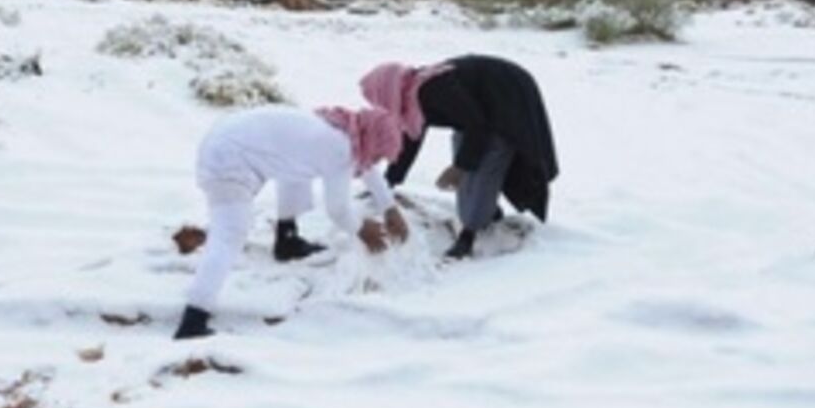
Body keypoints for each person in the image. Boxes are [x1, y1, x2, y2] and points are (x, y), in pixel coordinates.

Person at [174, 104, 411, 340]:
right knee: (229, 235)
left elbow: (364, 166)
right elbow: (337, 209)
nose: (377, 161)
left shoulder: (341, 129)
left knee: (296, 171)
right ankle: (193, 318)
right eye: (380, 154)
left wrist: (389, 207)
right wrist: (361, 229)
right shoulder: (339, 148)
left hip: (227, 141)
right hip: (228, 159)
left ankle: (287, 240)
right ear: (372, 139)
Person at [360, 56, 558, 260]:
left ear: (388, 90)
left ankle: (468, 236)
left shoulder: (434, 89)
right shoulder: (413, 95)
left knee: (488, 158)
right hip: (480, 113)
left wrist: (459, 168)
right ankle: (486, 211)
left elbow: (478, 127)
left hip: (508, 96)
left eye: (378, 99)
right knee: (466, 149)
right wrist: (387, 185)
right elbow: (411, 140)